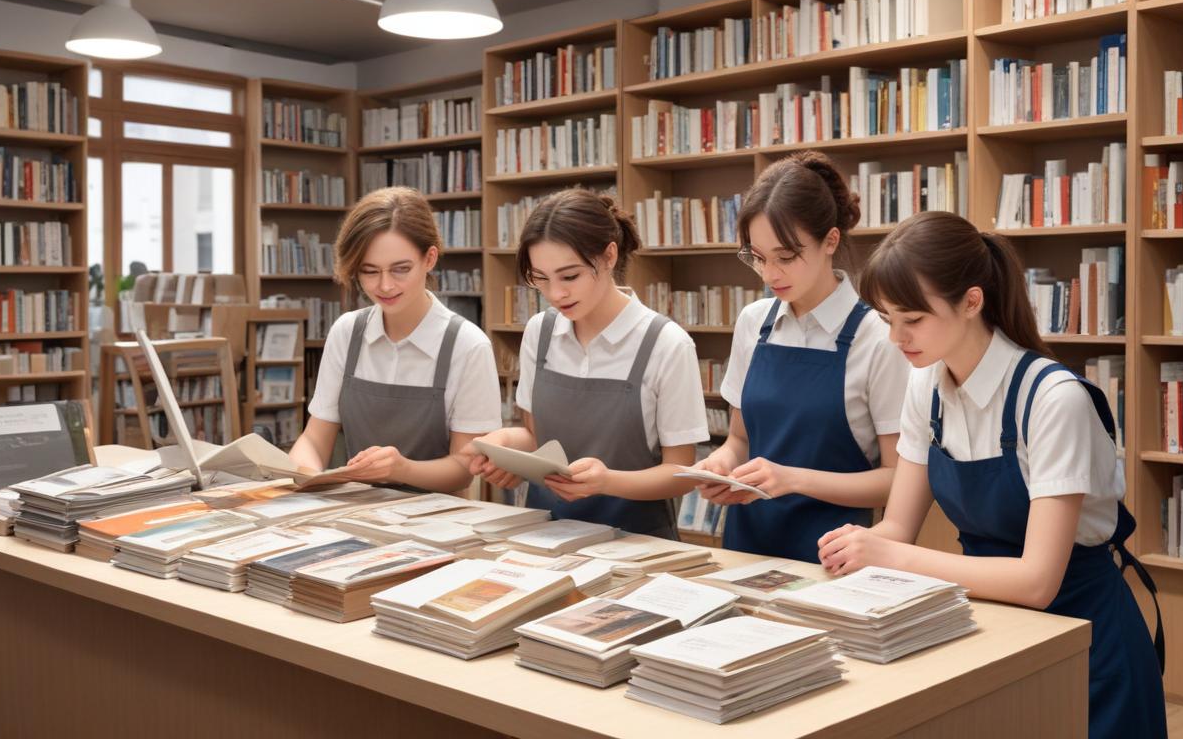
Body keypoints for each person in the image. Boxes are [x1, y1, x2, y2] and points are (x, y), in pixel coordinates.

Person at [819, 211, 1165, 738]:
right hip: (989, 626)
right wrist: (860, 545)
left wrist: (892, 556)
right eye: (887, 319)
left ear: (972, 302)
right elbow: (897, 529)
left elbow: (1036, 581)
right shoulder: (925, 386)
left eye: (911, 319)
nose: (895, 338)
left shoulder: (1053, 400)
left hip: (1085, 635)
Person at [692, 151, 908, 563]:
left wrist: (792, 479)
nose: (770, 274)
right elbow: (739, 440)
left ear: (830, 240)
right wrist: (718, 467)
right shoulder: (753, 322)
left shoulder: (878, 337)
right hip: (744, 551)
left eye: (786, 257)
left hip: (834, 557)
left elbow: (896, 480)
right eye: (757, 257)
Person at [467, 189, 709, 537]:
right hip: (544, 535)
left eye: (569, 277)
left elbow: (681, 473)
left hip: (636, 544)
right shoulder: (541, 331)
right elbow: (536, 437)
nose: (555, 294)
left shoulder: (665, 344)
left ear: (609, 256)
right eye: (541, 279)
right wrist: (504, 446)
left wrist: (607, 481)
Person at [289, 187, 502, 492]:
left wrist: (403, 469)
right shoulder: (346, 333)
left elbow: (463, 469)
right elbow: (313, 439)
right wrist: (307, 478)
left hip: (437, 521)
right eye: (370, 271)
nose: (385, 285)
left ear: (429, 258)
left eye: (401, 269)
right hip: (355, 510)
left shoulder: (468, 346)